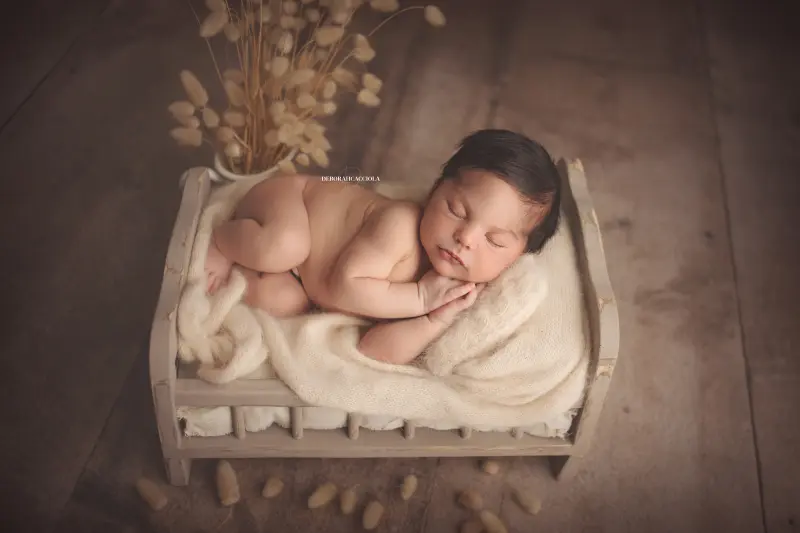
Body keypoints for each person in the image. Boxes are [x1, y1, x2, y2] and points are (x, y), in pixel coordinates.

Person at [204, 129, 561, 364]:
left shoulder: (452, 292)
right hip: (292, 203)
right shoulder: (401, 224)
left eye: (494, 241)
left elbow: (372, 351)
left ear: (518, 255)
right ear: (435, 190)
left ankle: (246, 264)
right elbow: (344, 286)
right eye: (456, 210)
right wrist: (421, 298)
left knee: (282, 304)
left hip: (302, 279)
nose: (465, 237)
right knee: (284, 246)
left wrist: (434, 320)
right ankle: (222, 241)